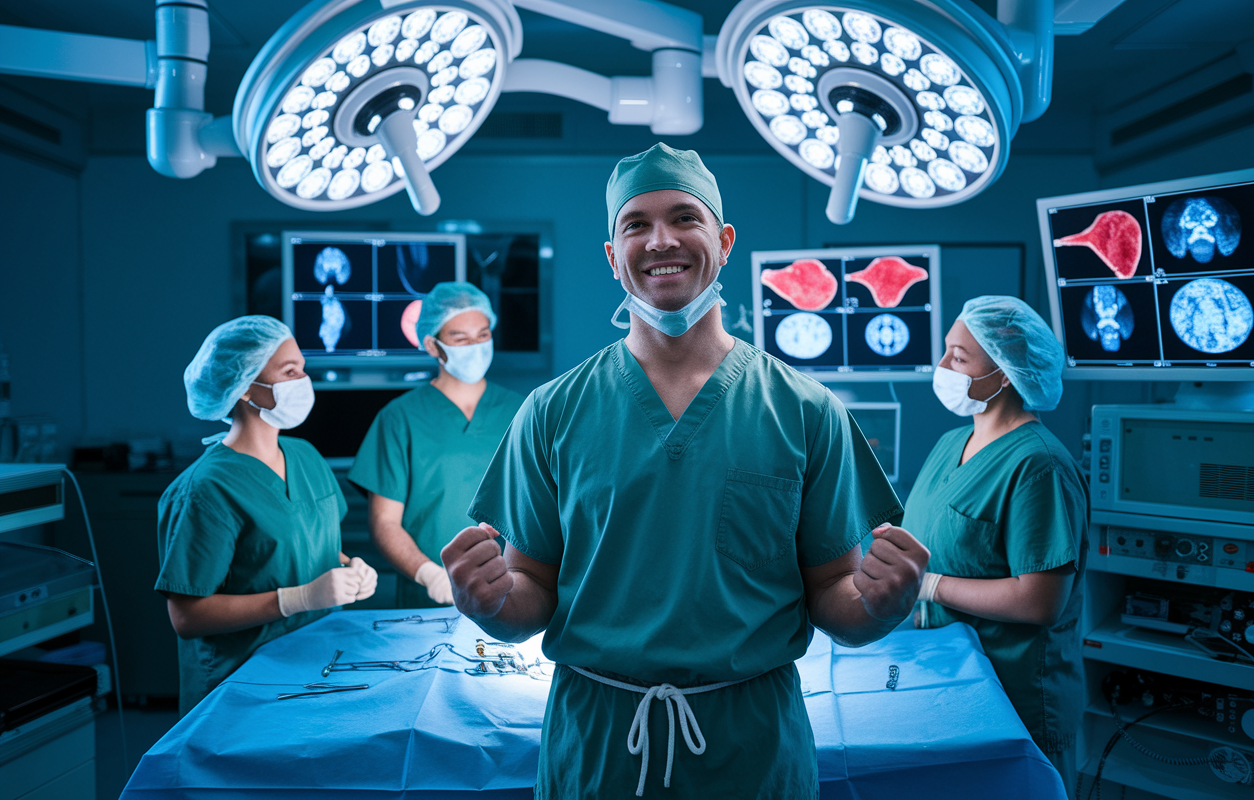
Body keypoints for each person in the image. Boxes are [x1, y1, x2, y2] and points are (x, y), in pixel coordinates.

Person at [441, 143, 929, 799]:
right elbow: (531, 591)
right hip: (600, 751)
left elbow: (833, 596)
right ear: (613, 258)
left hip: (752, 749)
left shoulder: (805, 411)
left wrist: (876, 607)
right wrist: (492, 605)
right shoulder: (552, 412)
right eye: (635, 225)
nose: (660, 239)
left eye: (683, 217)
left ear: (723, 241)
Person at [903, 296, 1087, 795]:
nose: (941, 366)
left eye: (959, 358)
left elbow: (1040, 601)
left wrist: (932, 586)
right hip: (951, 676)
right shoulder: (951, 443)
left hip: (1016, 689)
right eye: (946, 351)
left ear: (1004, 373)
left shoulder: (1038, 465)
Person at [156, 316, 376, 715]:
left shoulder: (306, 456)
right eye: (289, 372)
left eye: (303, 370)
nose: (303, 381)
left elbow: (316, 547)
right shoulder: (206, 489)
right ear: (243, 387)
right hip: (243, 688)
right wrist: (298, 599)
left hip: (322, 665)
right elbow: (186, 616)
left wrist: (351, 571)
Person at [348, 282, 524, 608]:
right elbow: (385, 523)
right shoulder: (400, 418)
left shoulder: (523, 411)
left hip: (511, 592)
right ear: (432, 345)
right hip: (428, 598)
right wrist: (429, 574)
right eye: (461, 338)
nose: (475, 346)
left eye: (483, 335)